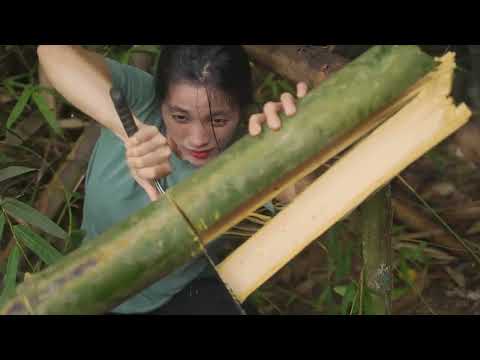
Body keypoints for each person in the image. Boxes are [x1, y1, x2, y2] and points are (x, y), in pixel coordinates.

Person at [37, 45, 309, 315]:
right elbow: (52, 52)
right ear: (161, 102)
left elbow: (305, 201)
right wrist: (132, 133)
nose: (198, 138)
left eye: (217, 120)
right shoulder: (142, 101)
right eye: (180, 117)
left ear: (241, 110)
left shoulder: (249, 149)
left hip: (180, 296)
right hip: (89, 290)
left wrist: (290, 143)